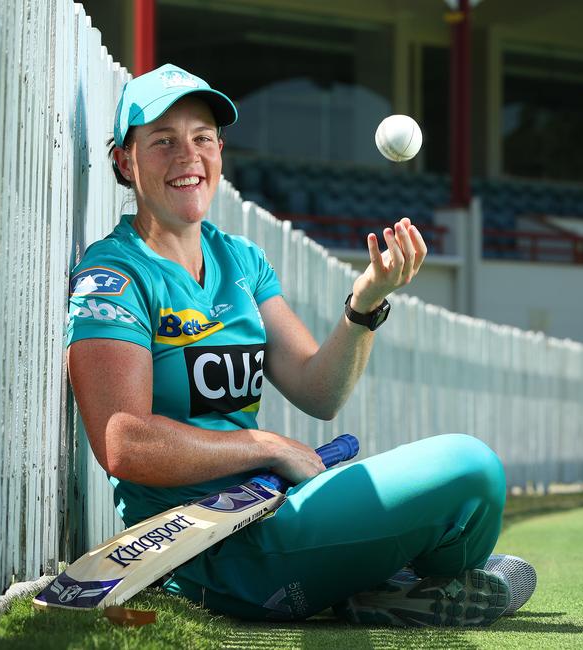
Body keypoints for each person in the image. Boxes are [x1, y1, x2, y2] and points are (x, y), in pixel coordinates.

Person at [67, 64, 534, 626]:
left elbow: (319, 391)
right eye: (163, 141)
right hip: (203, 546)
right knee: (469, 466)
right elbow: (125, 441)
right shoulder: (114, 272)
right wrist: (266, 447)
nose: (187, 156)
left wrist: (364, 304)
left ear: (220, 151)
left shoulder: (237, 259)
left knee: (477, 491)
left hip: (272, 507)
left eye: (203, 139)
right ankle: (402, 579)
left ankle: (379, 588)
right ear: (125, 160)